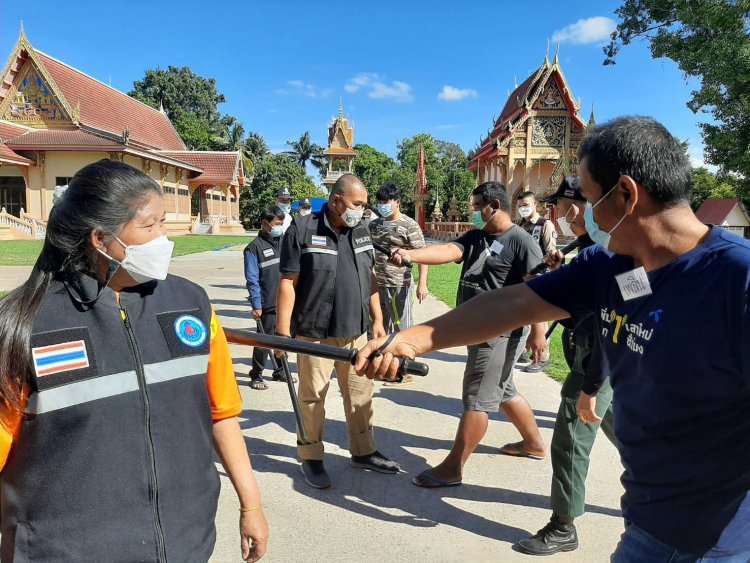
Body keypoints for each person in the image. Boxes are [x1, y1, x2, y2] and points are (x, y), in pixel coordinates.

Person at [356, 116, 750, 562]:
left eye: (584, 198)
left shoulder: (737, 280)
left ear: (625, 194)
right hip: (647, 514)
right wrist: (410, 340)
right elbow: (513, 303)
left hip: (712, 539)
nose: (574, 214)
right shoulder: (611, 266)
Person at [0, 160, 268, 562]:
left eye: (164, 222)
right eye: (150, 226)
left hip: (184, 542)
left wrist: (251, 504)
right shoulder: (25, 325)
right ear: (101, 238)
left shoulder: (190, 305)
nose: (164, 238)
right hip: (61, 550)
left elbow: (222, 413)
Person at [388, 181, 548, 488]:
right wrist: (411, 255)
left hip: (499, 331)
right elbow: (449, 250)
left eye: (477, 208)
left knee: (477, 397)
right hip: (474, 326)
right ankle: (534, 444)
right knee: (502, 390)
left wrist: (537, 334)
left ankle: (454, 467)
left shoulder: (521, 241)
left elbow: (539, 289)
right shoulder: (477, 236)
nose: (473, 213)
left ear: (494, 207)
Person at [276, 173, 400, 489]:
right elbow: (288, 282)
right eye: (357, 203)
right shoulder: (302, 230)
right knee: (312, 398)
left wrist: (377, 320)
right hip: (314, 333)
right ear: (336, 200)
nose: (361, 209)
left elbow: (370, 278)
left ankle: (363, 451)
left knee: (361, 396)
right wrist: (281, 331)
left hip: (357, 333)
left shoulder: (361, 231)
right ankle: (312, 458)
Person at [516, 175, 616, 556]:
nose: (552, 213)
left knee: (570, 439)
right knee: (624, 428)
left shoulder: (608, 251)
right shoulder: (586, 246)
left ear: (577, 206)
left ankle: (563, 525)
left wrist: (592, 384)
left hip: (598, 360)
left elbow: (613, 318)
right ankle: (671, 484)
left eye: (557, 206)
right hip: (587, 352)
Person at [369, 182, 429, 385]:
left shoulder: (409, 225)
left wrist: (422, 283)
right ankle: (383, 366)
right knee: (378, 326)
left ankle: (405, 370)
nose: (382, 205)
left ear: (397, 202)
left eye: (386, 202)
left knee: (401, 328)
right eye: (379, 202)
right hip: (377, 284)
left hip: (399, 284)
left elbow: (422, 255)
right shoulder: (374, 225)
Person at [244, 205, 288, 390]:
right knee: (263, 341)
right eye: (277, 224)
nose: (279, 227)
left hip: (284, 301)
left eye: (282, 224)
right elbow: (252, 279)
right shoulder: (253, 248)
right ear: (264, 224)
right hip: (266, 302)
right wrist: (256, 304)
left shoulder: (283, 242)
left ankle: (280, 372)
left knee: (283, 338)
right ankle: (256, 375)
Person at [516, 190, 557, 373]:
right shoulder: (520, 225)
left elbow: (551, 252)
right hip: (522, 279)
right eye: (519, 206)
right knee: (524, 317)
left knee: (540, 320)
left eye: (525, 205)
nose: (522, 209)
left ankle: (541, 358)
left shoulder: (545, 225)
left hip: (540, 278)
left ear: (535, 205)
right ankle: (524, 350)